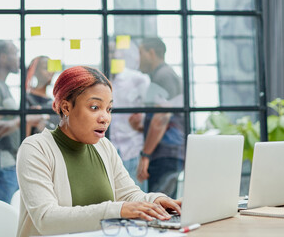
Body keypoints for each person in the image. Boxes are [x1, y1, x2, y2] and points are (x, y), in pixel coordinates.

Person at [16, 66, 181, 237]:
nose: (105, 118)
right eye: (95, 107)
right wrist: (118, 210)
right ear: (66, 107)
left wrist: (156, 202)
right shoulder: (36, 149)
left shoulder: (104, 147)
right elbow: (46, 219)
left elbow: (128, 194)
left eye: (109, 109)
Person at [0, 40, 44, 203]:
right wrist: (24, 119)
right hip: (0, 165)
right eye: (15, 53)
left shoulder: (2, 87)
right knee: (1, 216)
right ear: (2, 57)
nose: (18, 58)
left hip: (8, 164)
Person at [136, 37, 185, 199]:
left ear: (151, 53)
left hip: (165, 153)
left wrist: (145, 155)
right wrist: (141, 125)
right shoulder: (161, 76)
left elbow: (161, 118)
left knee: (160, 206)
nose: (138, 58)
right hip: (165, 152)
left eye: (140, 53)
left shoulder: (164, 76)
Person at [109, 39, 150, 192]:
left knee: (138, 200)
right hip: (110, 150)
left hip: (133, 148)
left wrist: (142, 122)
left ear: (122, 54)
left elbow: (153, 111)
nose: (111, 55)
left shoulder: (138, 79)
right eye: (108, 51)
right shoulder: (99, 80)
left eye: (114, 51)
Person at [25, 56, 59, 135]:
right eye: (46, 68)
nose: (50, 72)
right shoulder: (28, 99)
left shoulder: (53, 101)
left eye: (51, 68)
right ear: (35, 72)